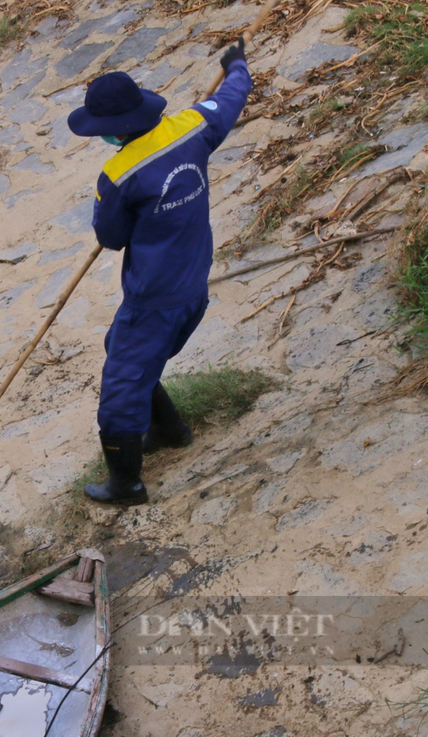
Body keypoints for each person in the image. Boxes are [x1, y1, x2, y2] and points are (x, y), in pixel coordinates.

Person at [67, 38, 252, 505]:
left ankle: (125, 484)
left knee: (120, 393)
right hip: (193, 284)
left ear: (112, 129)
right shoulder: (193, 127)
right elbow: (230, 98)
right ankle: (170, 431)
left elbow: (111, 238)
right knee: (121, 348)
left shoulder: (119, 174)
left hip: (153, 298)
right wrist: (236, 65)